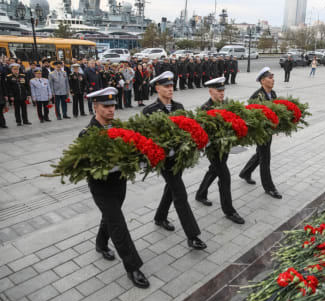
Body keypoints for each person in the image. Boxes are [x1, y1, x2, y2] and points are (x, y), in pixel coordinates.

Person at [79, 87, 149, 289]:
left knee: (110, 217)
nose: (111, 110)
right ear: (95, 107)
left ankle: (101, 244)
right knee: (118, 223)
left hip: (120, 182)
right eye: (106, 106)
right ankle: (133, 266)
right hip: (101, 188)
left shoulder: (119, 127)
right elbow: (88, 164)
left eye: (113, 106)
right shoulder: (87, 133)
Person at [143, 71, 207, 250]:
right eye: (166, 86)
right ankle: (192, 235)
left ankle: (160, 217)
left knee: (171, 188)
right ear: (157, 88)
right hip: (164, 160)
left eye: (172, 86)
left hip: (179, 158)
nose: (170, 89)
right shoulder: (149, 111)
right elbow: (148, 137)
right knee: (180, 193)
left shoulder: (179, 106)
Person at [195, 77, 245, 224]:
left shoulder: (227, 104)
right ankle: (229, 211)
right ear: (211, 91)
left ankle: (200, 194)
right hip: (213, 149)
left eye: (223, 90)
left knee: (214, 170)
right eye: (219, 91)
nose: (222, 93)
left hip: (225, 147)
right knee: (224, 176)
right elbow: (201, 131)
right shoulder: (205, 108)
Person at [239, 67, 282, 199]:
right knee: (265, 157)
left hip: (268, 131)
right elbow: (251, 115)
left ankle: (245, 173)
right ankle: (269, 187)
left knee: (260, 154)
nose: (273, 79)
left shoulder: (272, 93)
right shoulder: (257, 96)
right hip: (260, 132)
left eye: (273, 77)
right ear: (263, 81)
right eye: (270, 77)